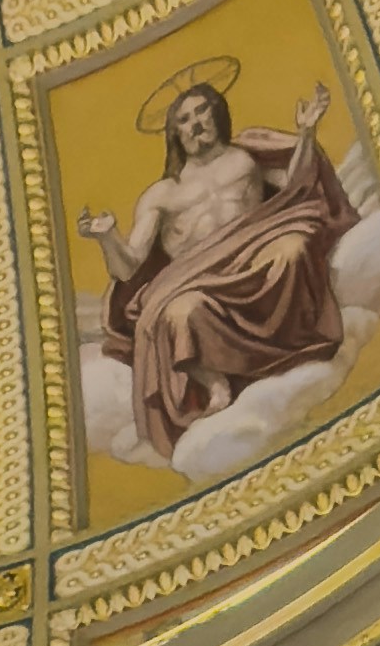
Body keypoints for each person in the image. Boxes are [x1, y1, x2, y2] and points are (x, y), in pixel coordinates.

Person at [92, 75, 363, 466]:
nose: (195, 122)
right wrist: (106, 237)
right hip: (195, 277)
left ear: (217, 116)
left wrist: (306, 133)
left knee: (295, 247)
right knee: (178, 312)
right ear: (174, 133)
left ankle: (297, 339)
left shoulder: (245, 158)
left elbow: (298, 186)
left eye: (202, 111)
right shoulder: (162, 194)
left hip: (257, 248)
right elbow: (129, 265)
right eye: (184, 119)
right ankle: (214, 383)